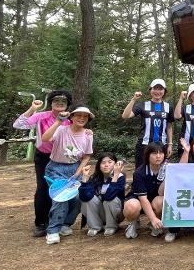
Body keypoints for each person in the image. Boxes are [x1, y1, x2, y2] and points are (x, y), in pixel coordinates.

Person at [13, 90, 72, 237]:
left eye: (63, 102)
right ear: (51, 103)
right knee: (43, 189)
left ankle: (59, 221)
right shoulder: (41, 116)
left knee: (62, 189)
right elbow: (19, 125)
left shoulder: (70, 119)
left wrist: (88, 132)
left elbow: (80, 131)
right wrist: (32, 108)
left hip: (63, 158)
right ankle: (41, 223)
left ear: (67, 105)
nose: (59, 104)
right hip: (44, 157)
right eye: (56, 102)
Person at [41, 106, 94, 245]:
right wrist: (58, 121)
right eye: (78, 115)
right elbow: (45, 138)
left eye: (85, 116)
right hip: (55, 168)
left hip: (75, 169)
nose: (82, 118)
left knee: (77, 198)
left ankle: (65, 224)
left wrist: (78, 173)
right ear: (72, 117)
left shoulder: (88, 134)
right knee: (60, 197)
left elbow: (87, 155)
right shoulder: (61, 130)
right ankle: (52, 230)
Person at [122, 79, 174, 167]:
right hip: (144, 144)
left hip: (162, 144)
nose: (157, 91)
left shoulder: (168, 107)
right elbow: (125, 115)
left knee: (161, 171)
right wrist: (134, 99)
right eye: (155, 88)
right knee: (141, 170)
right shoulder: (143, 104)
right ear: (150, 90)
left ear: (164, 91)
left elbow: (169, 126)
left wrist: (170, 145)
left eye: (160, 89)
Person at [123, 143, 166, 239]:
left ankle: (153, 224)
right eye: (154, 153)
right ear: (147, 155)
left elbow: (161, 193)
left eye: (161, 153)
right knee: (131, 207)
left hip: (155, 201)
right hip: (139, 199)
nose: (158, 156)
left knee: (162, 201)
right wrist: (153, 217)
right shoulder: (139, 172)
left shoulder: (167, 169)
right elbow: (143, 199)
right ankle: (133, 222)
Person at [79, 152, 126, 237]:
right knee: (88, 199)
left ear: (115, 164)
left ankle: (111, 226)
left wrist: (115, 176)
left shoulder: (120, 177)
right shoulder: (95, 178)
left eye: (110, 162)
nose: (106, 165)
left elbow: (109, 196)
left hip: (115, 213)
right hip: (100, 212)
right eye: (103, 163)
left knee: (110, 200)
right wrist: (85, 178)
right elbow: (84, 197)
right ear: (99, 165)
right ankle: (95, 226)